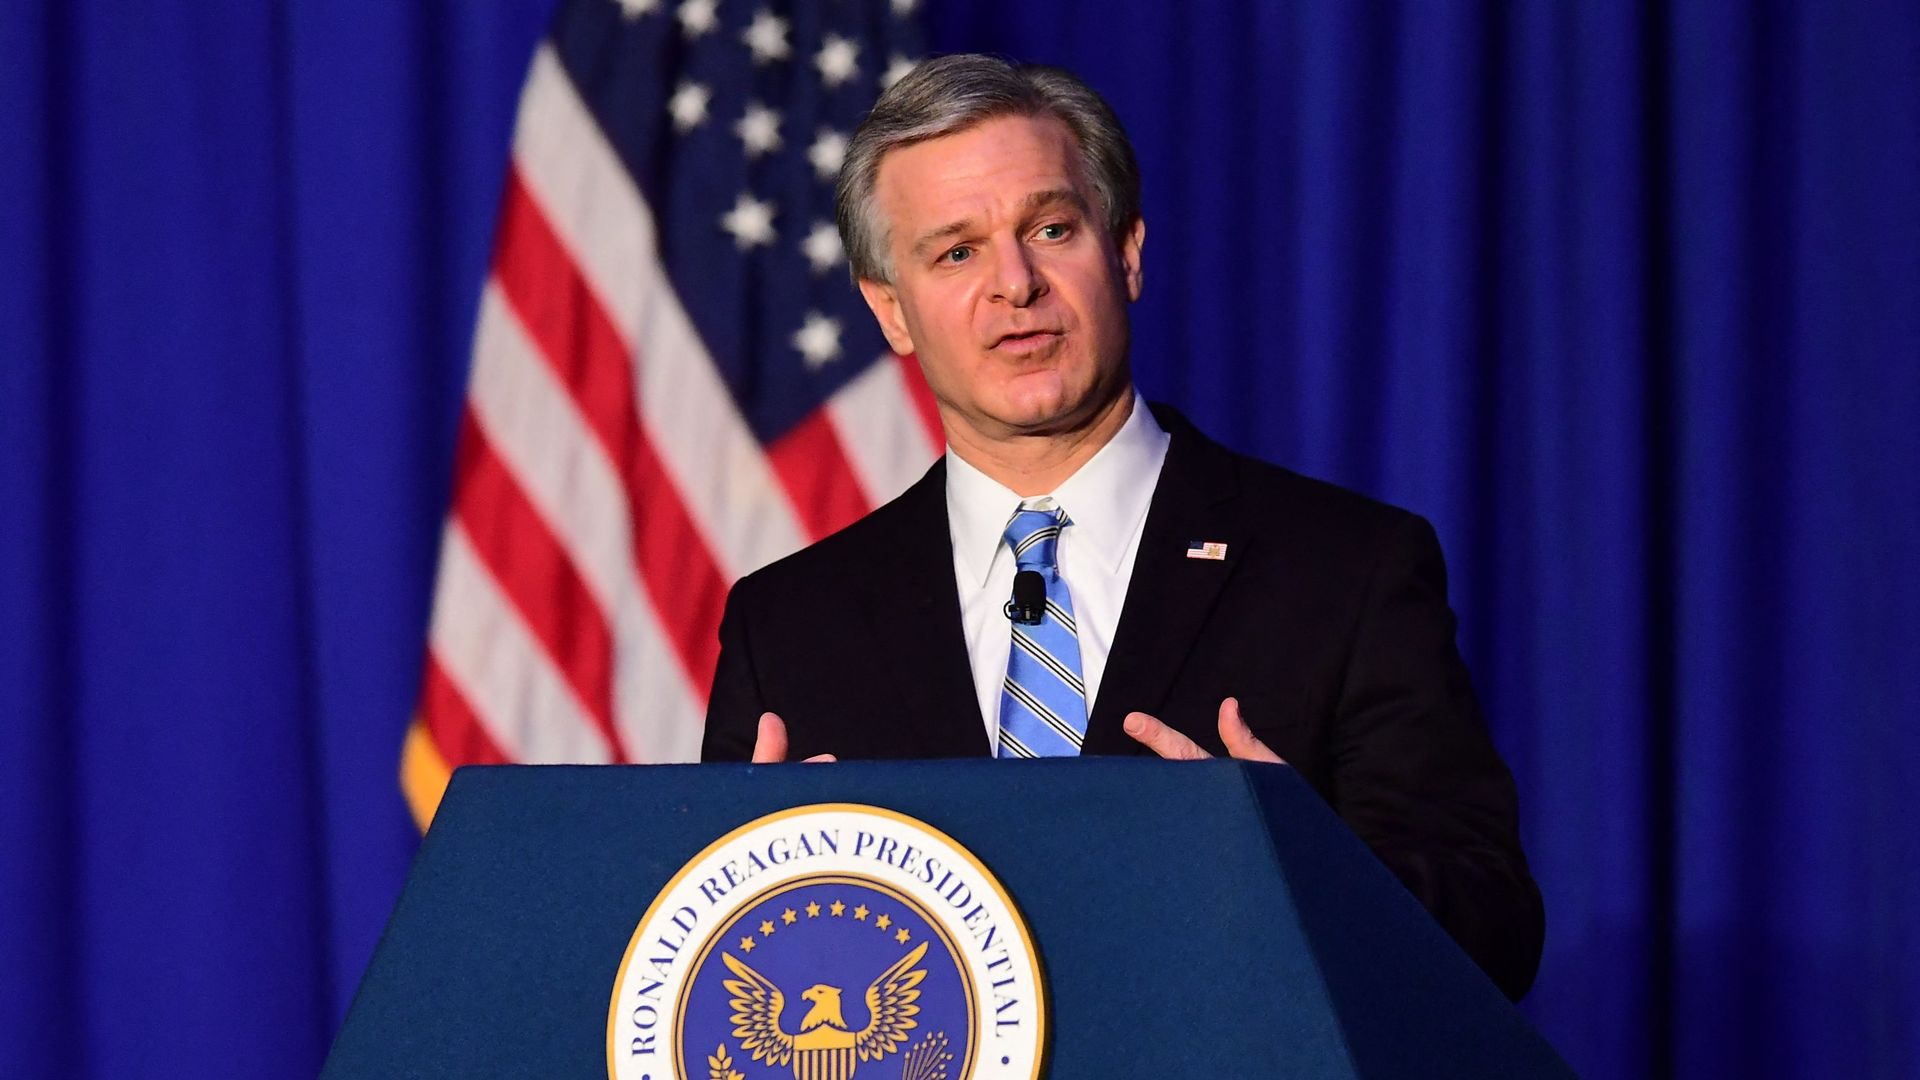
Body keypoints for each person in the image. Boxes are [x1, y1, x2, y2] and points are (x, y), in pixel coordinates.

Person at [701, 54, 1544, 1001]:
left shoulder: (1345, 570)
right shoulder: (790, 624)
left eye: (1050, 229)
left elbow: (1494, 930)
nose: (1014, 284)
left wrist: (1300, 860)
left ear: (1128, 252)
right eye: (956, 252)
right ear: (891, 310)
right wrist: (749, 898)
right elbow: (728, 967)